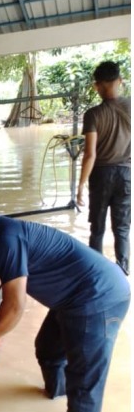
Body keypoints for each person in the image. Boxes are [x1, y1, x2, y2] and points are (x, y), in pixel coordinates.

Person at [0, 189, 130, 412]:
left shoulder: (5, 239)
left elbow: (14, 308)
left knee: (85, 380)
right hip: (73, 299)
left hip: (98, 298)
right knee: (48, 350)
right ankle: (58, 394)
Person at [77, 60, 130, 275]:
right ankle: (123, 271)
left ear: (96, 86)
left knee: (97, 227)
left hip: (100, 175)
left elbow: (90, 154)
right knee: (122, 227)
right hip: (126, 173)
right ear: (120, 81)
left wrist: (80, 186)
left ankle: (96, 272)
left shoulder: (93, 115)